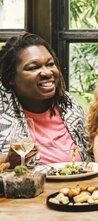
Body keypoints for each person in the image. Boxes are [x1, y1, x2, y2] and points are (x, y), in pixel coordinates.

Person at [0, 32, 92, 167]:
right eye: (33, 67)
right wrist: (8, 161)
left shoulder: (70, 106)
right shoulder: (3, 112)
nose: (47, 72)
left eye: (50, 64)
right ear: (11, 77)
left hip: (78, 187)